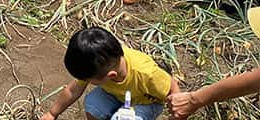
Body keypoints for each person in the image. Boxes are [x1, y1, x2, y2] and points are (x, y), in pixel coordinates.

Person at [40, 26, 177, 120]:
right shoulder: (95, 61)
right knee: (92, 104)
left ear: (111, 76)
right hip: (117, 95)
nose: (87, 82)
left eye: (90, 81)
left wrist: (178, 115)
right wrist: (52, 113)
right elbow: (72, 90)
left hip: (145, 102)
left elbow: (173, 88)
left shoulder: (146, 73)